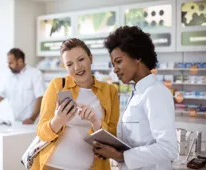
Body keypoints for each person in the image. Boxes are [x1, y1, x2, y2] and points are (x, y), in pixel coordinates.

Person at [93, 26, 178, 170]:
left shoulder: (155, 92)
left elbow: (168, 148)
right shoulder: (137, 93)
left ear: (137, 56)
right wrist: (113, 150)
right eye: (113, 64)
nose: (115, 69)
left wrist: (121, 156)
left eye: (118, 61)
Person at [31, 38, 120, 170]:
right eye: (69, 64)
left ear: (91, 58)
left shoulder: (110, 91)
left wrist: (96, 122)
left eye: (81, 59)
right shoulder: (57, 86)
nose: (77, 67)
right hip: (52, 166)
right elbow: (42, 134)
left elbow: (113, 138)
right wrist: (58, 120)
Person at [0, 48, 45, 124]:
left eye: (11, 63)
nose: (8, 66)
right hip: (17, 121)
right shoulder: (10, 76)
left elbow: (40, 97)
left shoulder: (35, 74)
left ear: (20, 61)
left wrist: (32, 118)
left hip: (32, 122)